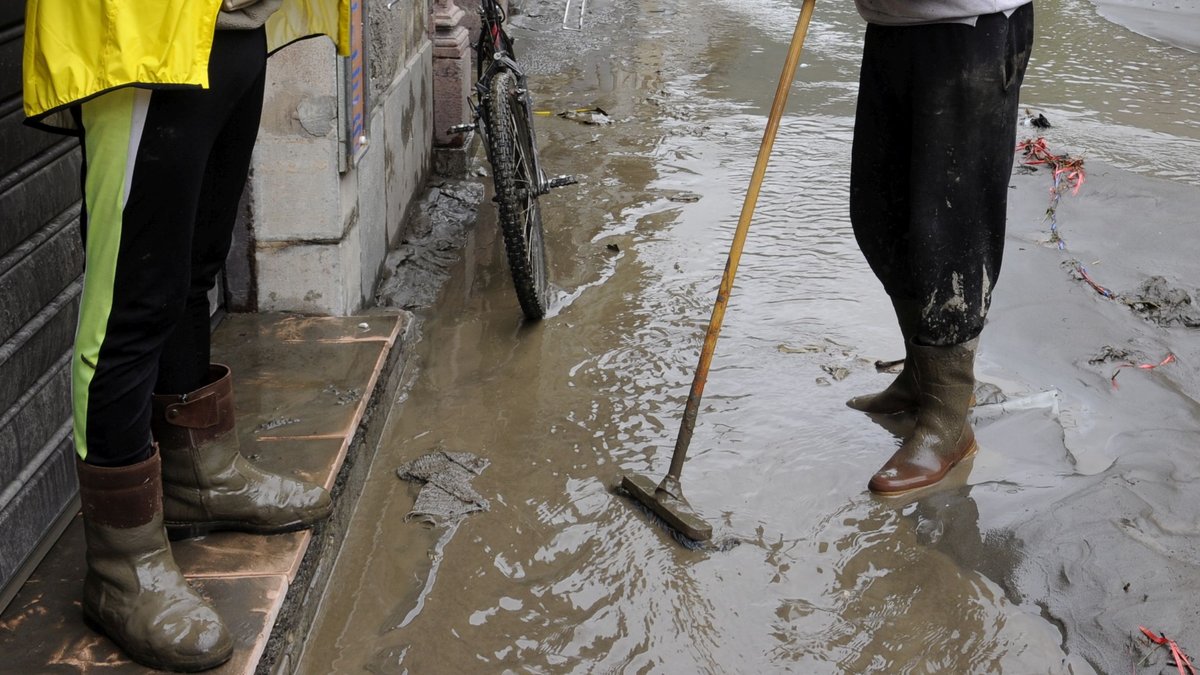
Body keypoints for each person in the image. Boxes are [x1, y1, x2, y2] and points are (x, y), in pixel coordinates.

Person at [23, 1, 349, 670]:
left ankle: (202, 472)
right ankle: (121, 565)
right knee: (131, 301)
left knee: (196, 266)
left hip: (232, 29)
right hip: (143, 35)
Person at [845, 1, 1035, 495]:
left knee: (950, 229)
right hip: (894, 23)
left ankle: (947, 420)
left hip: (967, 27)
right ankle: (919, 378)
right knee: (882, 215)